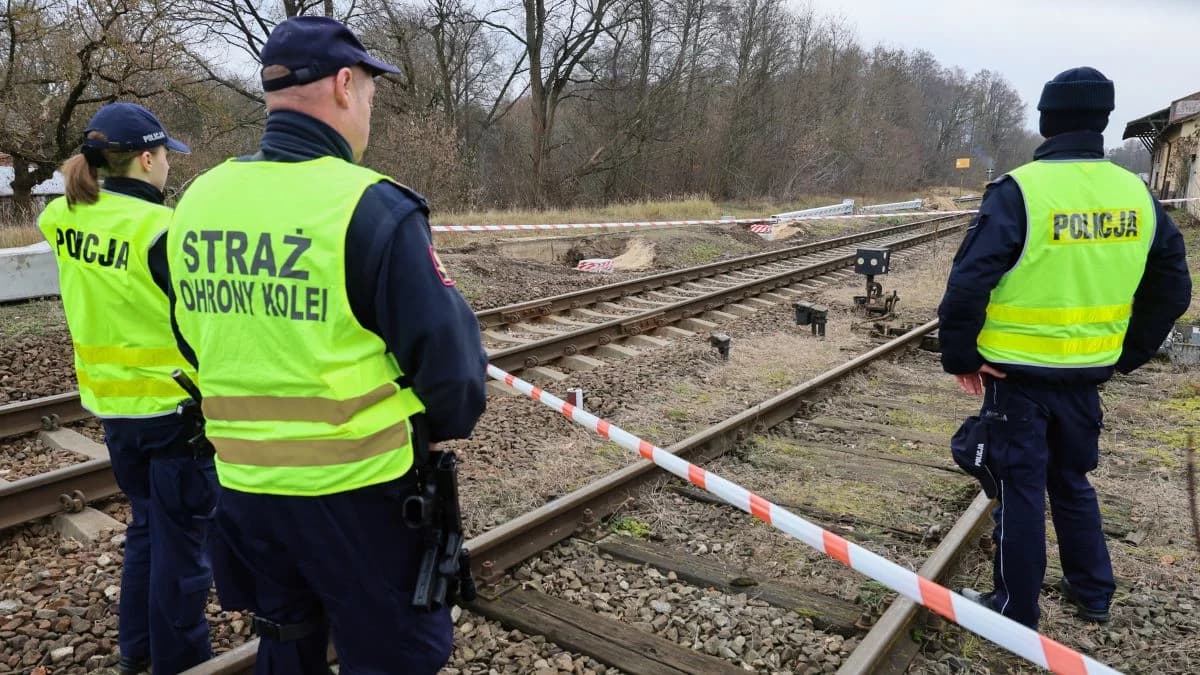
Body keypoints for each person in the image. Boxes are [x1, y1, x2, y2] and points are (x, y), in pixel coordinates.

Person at [165, 16, 487, 675]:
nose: (369, 107)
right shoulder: (370, 206)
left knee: (286, 637)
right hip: (358, 496)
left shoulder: (199, 199)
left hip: (245, 490)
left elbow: (192, 336)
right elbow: (455, 378)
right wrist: (427, 426)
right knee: (395, 654)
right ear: (344, 85)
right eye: (370, 91)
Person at [939, 67, 1192, 629]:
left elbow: (969, 281)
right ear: (1102, 122)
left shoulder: (1020, 190)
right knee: (1072, 481)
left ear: (1047, 120)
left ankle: (1014, 611)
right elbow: (1174, 287)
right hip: (1086, 377)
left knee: (1020, 489)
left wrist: (959, 353)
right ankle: (1094, 593)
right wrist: (1128, 353)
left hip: (1017, 377)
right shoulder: (1135, 193)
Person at [37, 102, 217, 674]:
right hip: (172, 410)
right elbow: (198, 322)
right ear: (146, 158)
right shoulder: (161, 229)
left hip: (111, 406)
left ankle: (137, 649)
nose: (168, 167)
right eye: (166, 156)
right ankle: (182, 662)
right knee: (182, 548)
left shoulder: (64, 218)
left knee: (147, 527)